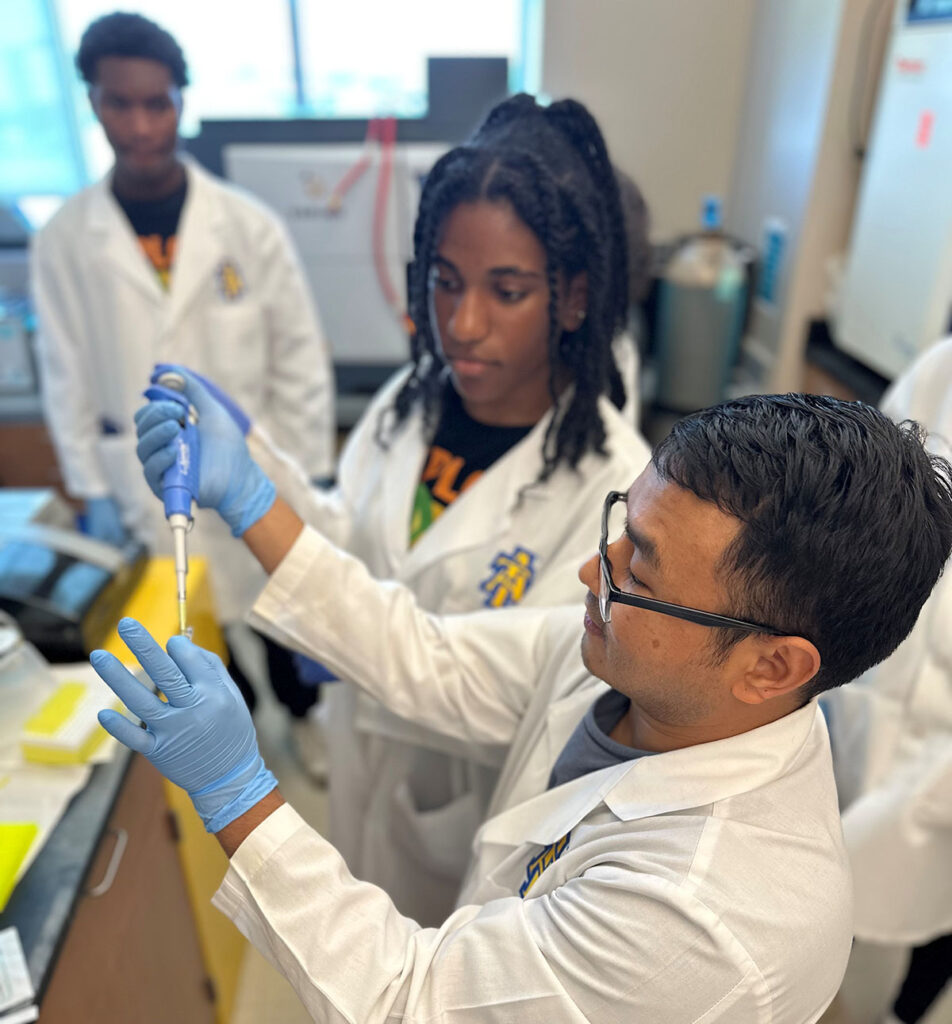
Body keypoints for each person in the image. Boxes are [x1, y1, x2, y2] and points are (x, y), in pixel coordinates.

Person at [96, 392, 952, 1023]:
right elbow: (423, 654)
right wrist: (253, 501)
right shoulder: (642, 670)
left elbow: (409, 996)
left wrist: (238, 794)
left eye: (639, 569)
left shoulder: (714, 914)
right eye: (623, 524)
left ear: (772, 666)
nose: (593, 570)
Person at [139, 93, 652, 922]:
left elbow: (490, 686)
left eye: (507, 290)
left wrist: (265, 518)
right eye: (444, 281)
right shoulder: (411, 403)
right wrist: (257, 466)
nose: (462, 322)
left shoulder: (613, 492)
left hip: (456, 800)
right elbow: (353, 533)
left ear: (574, 297)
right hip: (363, 761)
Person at [31, 13, 335, 736]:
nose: (139, 126)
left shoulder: (247, 226)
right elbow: (64, 374)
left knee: (282, 613)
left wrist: (305, 471)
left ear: (181, 100)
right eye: (118, 104)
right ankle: (247, 721)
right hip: (144, 485)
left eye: (156, 103)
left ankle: (302, 718)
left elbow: (298, 355)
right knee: (191, 624)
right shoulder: (66, 240)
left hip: (257, 470)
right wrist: (91, 487)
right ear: (95, 104)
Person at [827, 337, 952, 1024]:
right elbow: (879, 493)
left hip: (941, 768)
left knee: (920, 935)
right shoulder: (945, 368)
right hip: (873, 699)